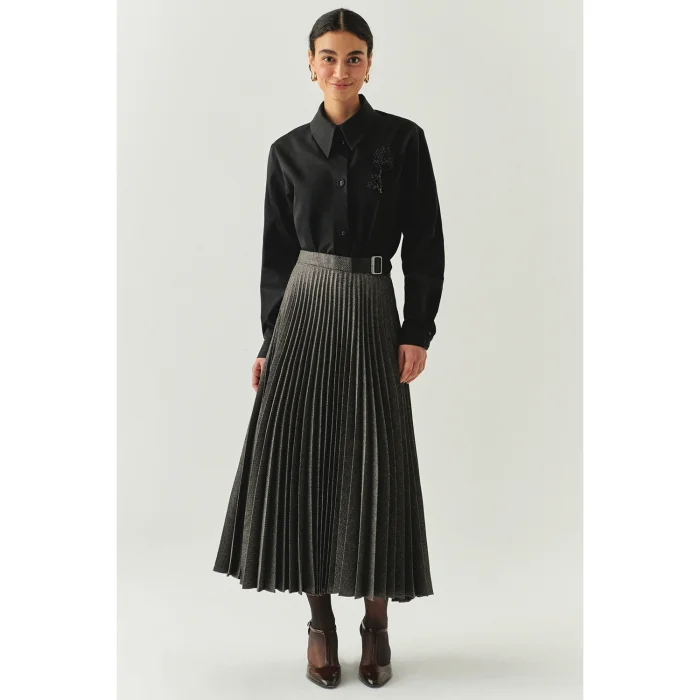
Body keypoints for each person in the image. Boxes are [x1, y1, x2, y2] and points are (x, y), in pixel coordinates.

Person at [213, 7, 445, 689]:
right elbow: (276, 257)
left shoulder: (403, 141)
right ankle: (320, 626)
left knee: (376, 464)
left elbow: (426, 243)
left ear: (369, 65)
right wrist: (270, 341)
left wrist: (417, 329)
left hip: (373, 311)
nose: (340, 69)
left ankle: (376, 624)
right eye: (328, 57)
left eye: (353, 57)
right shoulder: (286, 152)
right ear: (310, 65)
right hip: (304, 314)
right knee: (306, 463)